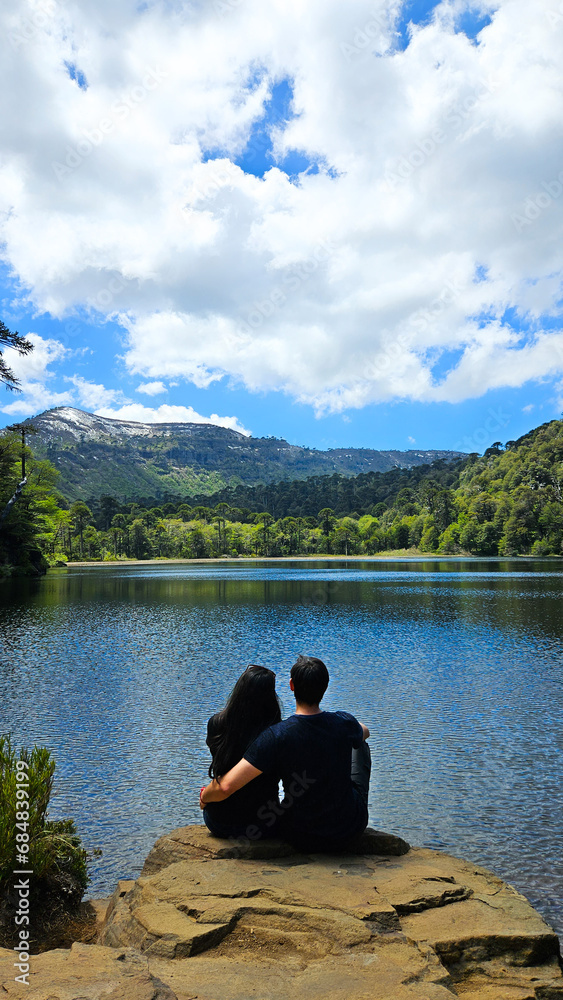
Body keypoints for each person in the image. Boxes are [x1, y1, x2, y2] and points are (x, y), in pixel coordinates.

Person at [200, 655, 371, 851]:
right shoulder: (344, 722)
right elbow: (365, 731)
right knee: (360, 745)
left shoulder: (277, 735)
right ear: (325, 686)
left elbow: (226, 786)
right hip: (348, 829)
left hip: (299, 833)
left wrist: (205, 796)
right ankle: (339, 807)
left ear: (291, 685)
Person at [201, 664, 282, 839]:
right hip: (265, 824)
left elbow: (221, 766)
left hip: (221, 821)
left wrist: (206, 796)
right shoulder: (276, 732)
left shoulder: (216, 724)